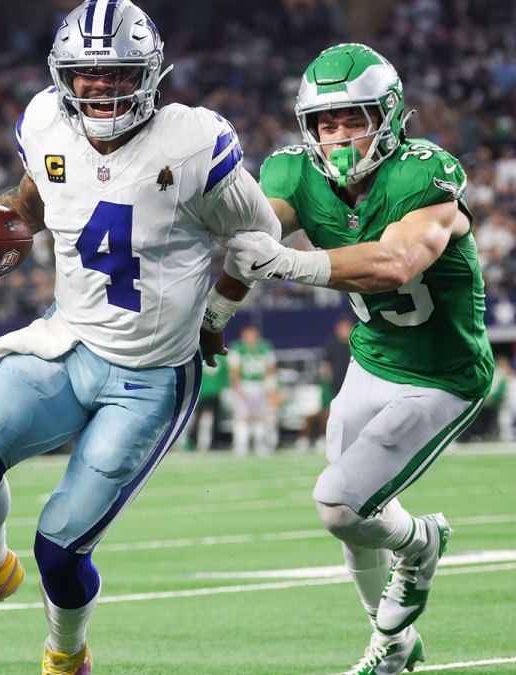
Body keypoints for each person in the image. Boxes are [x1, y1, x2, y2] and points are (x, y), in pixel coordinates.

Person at [0, 2, 282, 672]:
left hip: (149, 378)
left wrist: (217, 314)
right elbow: (31, 201)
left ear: (150, 71)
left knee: (60, 551)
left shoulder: (194, 143)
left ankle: (65, 652)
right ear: (64, 77)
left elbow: (260, 239)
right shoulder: (47, 121)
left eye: (118, 72)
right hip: (66, 343)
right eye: (88, 73)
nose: (102, 86)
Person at [205, 44, 493, 674]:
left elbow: (395, 265)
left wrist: (288, 263)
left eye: (353, 120)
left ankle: (421, 544)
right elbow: (257, 239)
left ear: (388, 118)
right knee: (352, 520)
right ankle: (390, 647)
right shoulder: (291, 171)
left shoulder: (425, 173)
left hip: (442, 375)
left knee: (339, 504)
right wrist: (215, 312)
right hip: (371, 362)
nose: (338, 136)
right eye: (325, 124)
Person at [226, 325, 279, 457]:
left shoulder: (265, 347)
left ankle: (259, 444)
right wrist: (237, 388)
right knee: (242, 418)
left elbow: (271, 368)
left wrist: (269, 386)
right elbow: (234, 370)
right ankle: (241, 445)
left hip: (260, 385)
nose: (251, 338)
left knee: (260, 418)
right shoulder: (237, 348)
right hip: (245, 385)